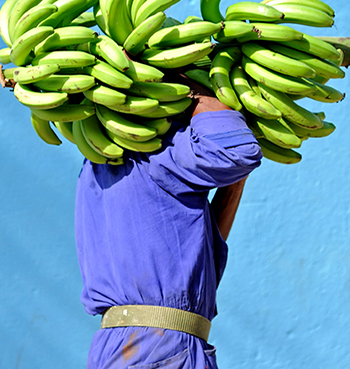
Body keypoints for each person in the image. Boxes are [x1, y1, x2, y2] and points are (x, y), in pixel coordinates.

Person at [74, 78, 262, 369]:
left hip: (126, 348)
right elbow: (238, 151)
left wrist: (235, 183)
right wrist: (197, 93)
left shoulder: (96, 168)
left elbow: (195, 251)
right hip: (160, 347)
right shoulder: (155, 152)